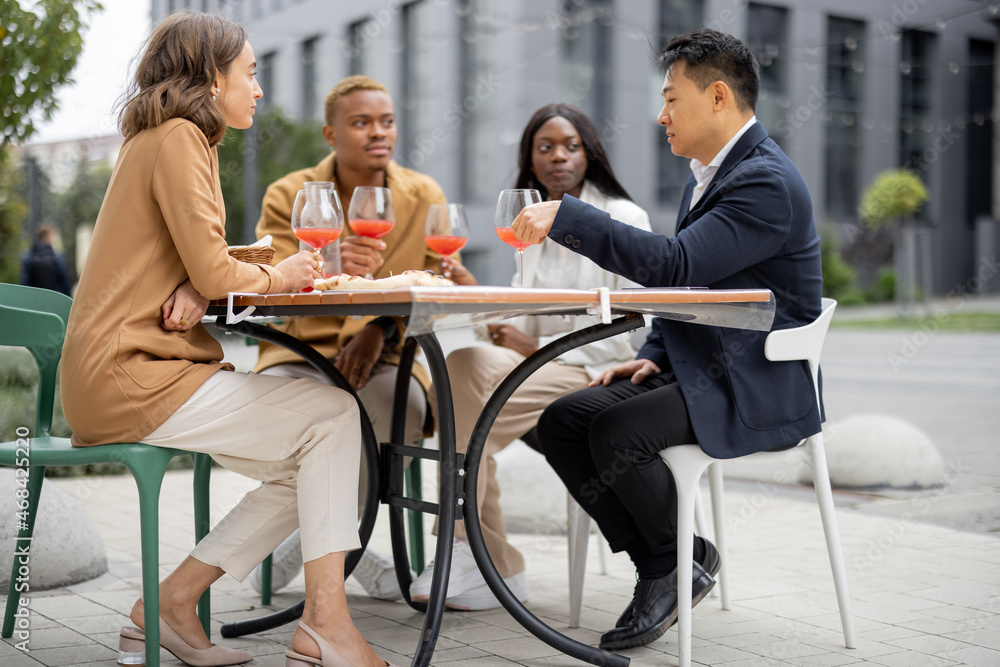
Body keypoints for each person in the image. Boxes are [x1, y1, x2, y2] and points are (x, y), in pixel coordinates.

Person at [60, 13, 393, 667]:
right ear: (213, 78)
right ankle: (327, 624)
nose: (258, 89)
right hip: (132, 371)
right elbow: (212, 267)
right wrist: (273, 272)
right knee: (333, 413)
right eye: (251, 72)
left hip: (125, 367)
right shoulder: (181, 137)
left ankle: (173, 604)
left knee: (316, 455)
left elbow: (195, 257)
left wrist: (208, 278)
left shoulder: (164, 137)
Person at [512, 29, 823, 650]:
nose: (661, 116)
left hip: (754, 377)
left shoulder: (764, 181)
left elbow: (675, 266)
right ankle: (672, 557)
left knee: (617, 431)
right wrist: (649, 357)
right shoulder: (706, 176)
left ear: (716, 97)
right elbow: (693, 289)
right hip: (699, 366)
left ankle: (668, 565)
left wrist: (568, 216)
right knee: (565, 420)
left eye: (671, 100)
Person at [408, 104, 650, 610]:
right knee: (462, 368)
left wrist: (532, 348)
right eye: (545, 147)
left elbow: (633, 330)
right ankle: (481, 558)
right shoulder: (532, 227)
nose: (558, 155)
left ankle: (472, 554)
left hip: (597, 374)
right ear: (531, 161)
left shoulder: (623, 217)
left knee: (462, 412)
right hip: (545, 369)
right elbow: (518, 327)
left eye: (570, 145)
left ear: (589, 153)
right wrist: (479, 297)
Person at [250, 74, 474, 601]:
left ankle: (325, 545)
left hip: (390, 360)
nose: (379, 132)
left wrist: (380, 329)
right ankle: (349, 550)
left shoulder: (424, 195)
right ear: (331, 134)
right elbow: (271, 286)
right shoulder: (291, 193)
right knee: (304, 409)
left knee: (393, 409)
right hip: (302, 352)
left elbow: (435, 286)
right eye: (361, 122)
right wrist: (327, 260)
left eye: (387, 121)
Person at [21, 225, 71, 295]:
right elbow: (65, 283)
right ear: (48, 237)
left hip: (34, 300)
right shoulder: (57, 258)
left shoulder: (29, 258)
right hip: (54, 300)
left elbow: (25, 283)